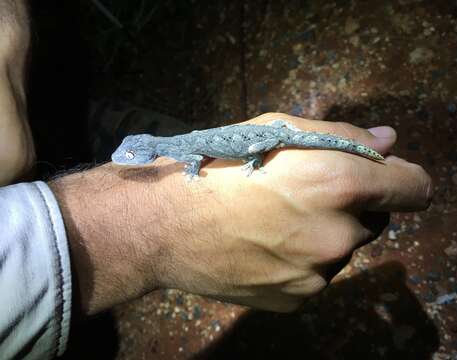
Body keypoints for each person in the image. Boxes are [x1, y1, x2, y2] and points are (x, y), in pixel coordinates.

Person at [0, 2, 433, 359]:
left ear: (148, 152)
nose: (125, 161)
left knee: (259, 146)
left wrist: (234, 167)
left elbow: (194, 160)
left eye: (132, 156)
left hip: (260, 141)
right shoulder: (168, 145)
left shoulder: (177, 150)